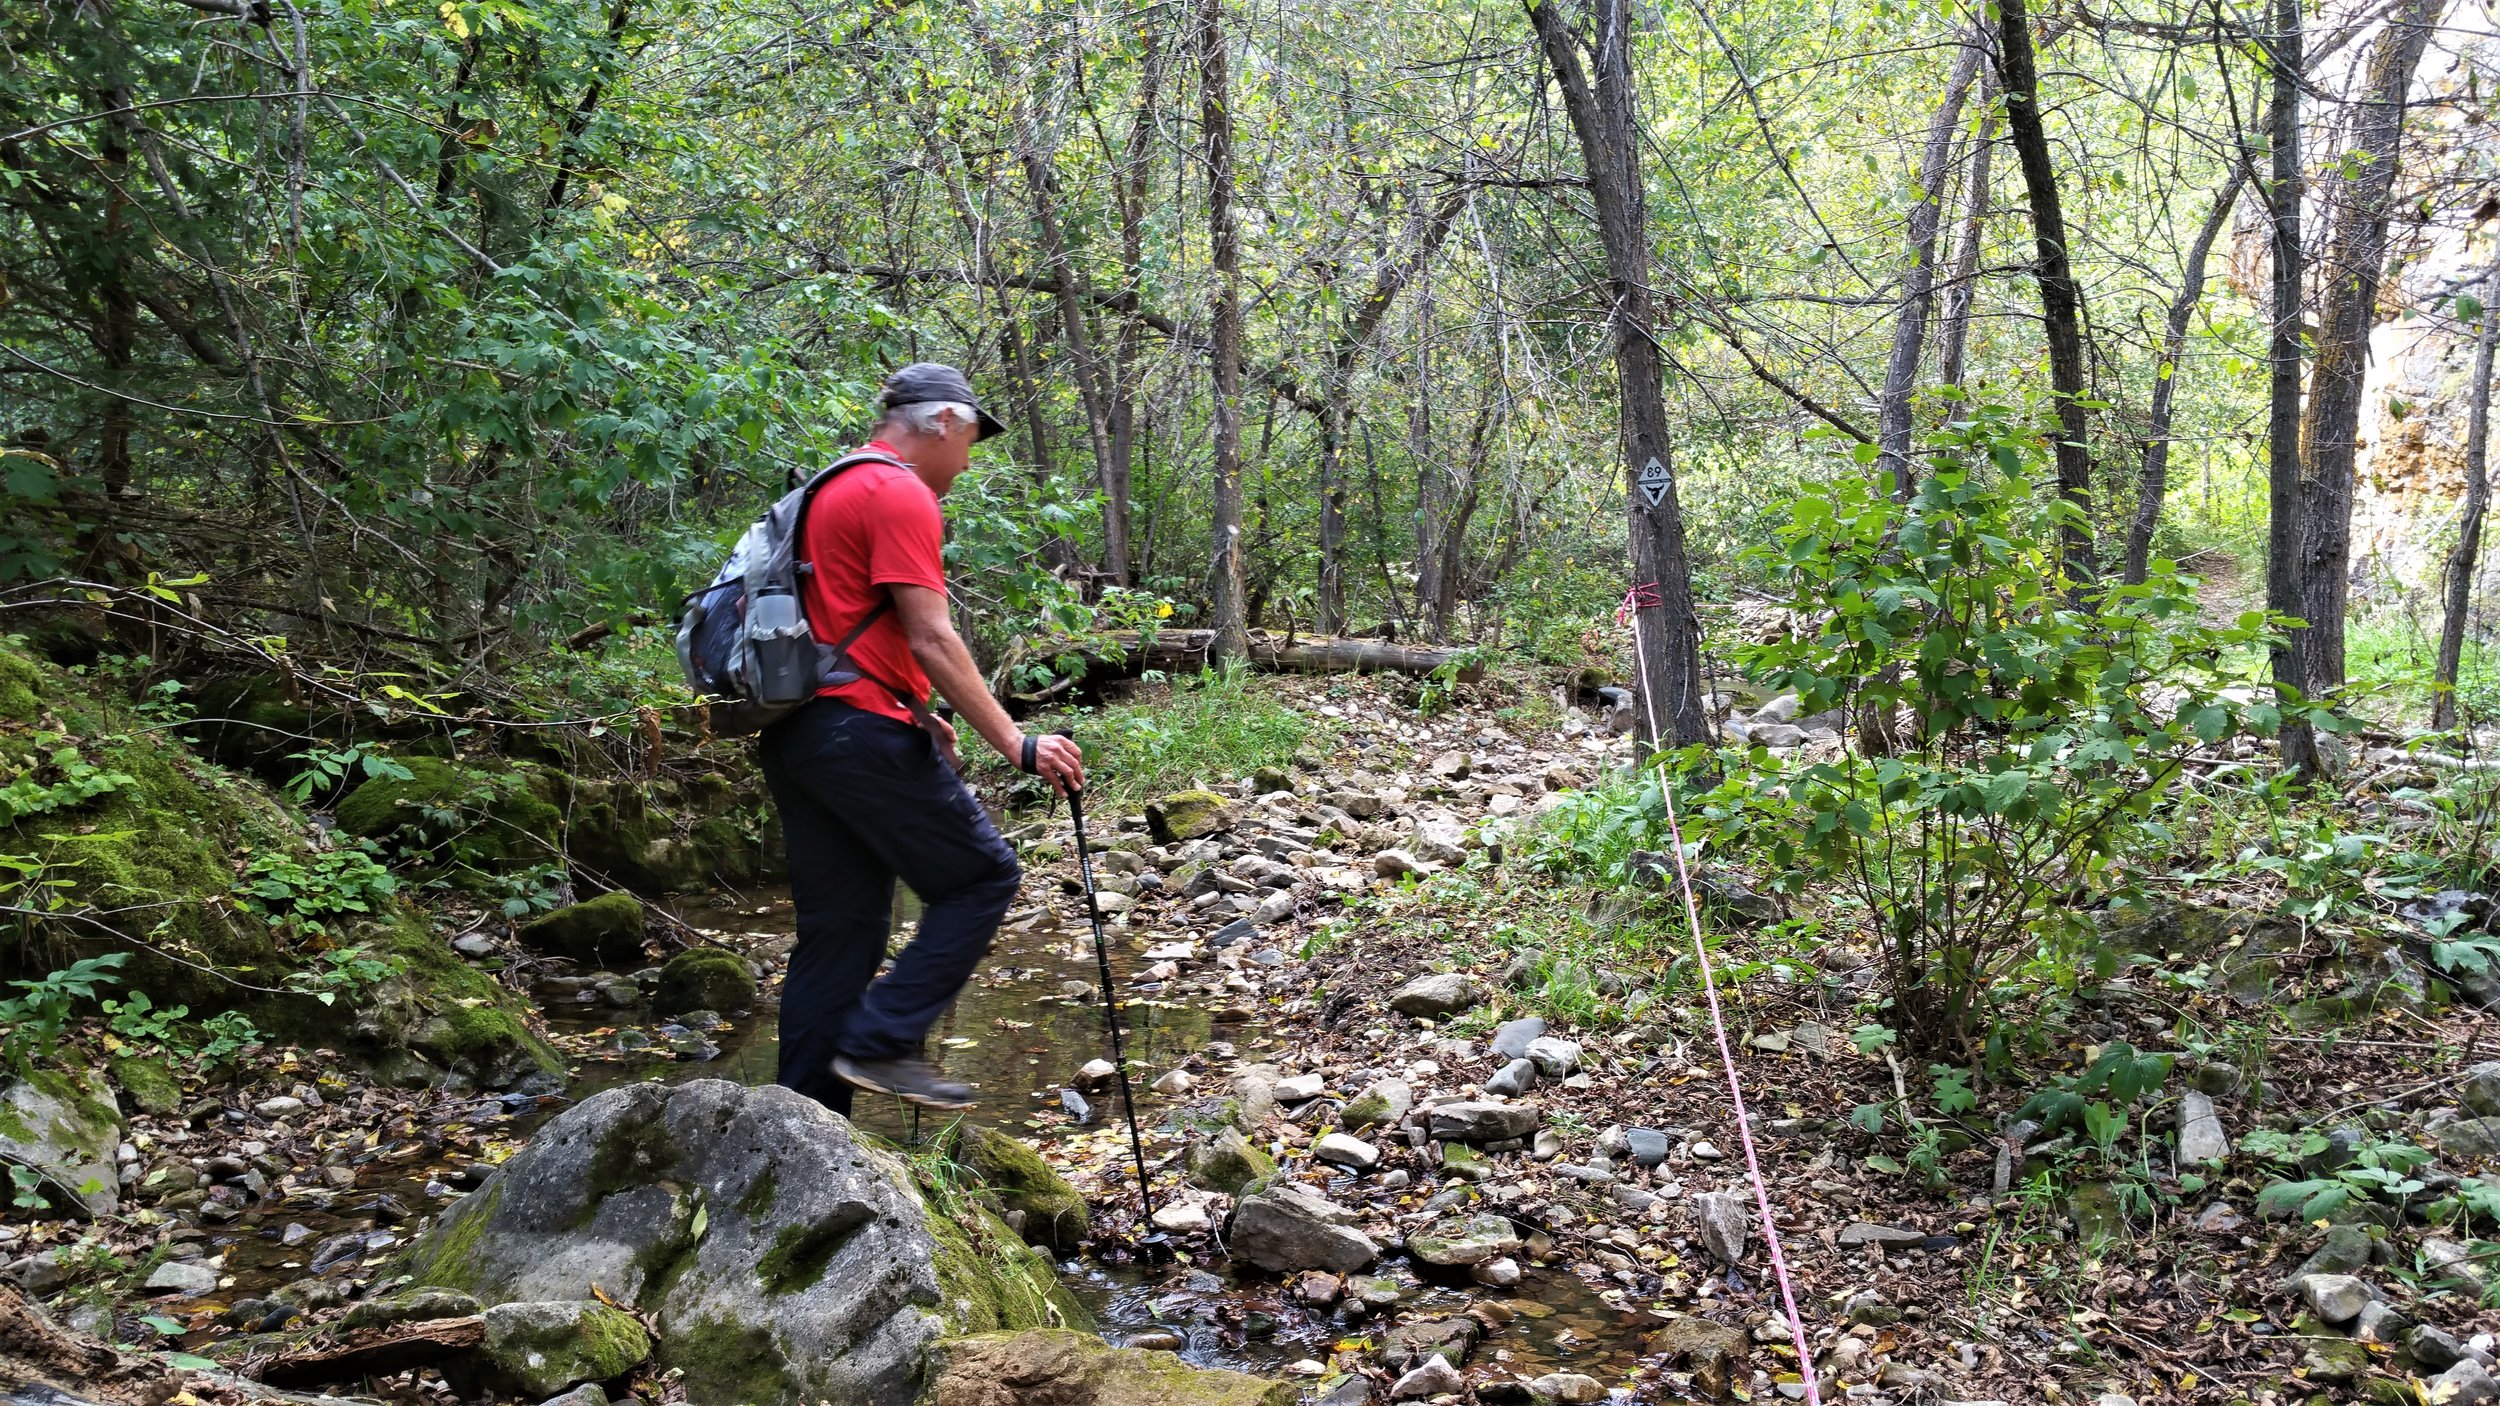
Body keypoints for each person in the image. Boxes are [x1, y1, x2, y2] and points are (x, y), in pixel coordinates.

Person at [759, 362, 1084, 1113]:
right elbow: (932, 634)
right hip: (856, 732)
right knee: (982, 877)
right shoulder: (898, 490)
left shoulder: (829, 489)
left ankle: (800, 1127)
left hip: (803, 733)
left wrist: (912, 706)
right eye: (972, 437)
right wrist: (1016, 742)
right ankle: (880, 1042)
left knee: (841, 933)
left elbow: (840, 628)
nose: (970, 459)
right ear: (942, 421)